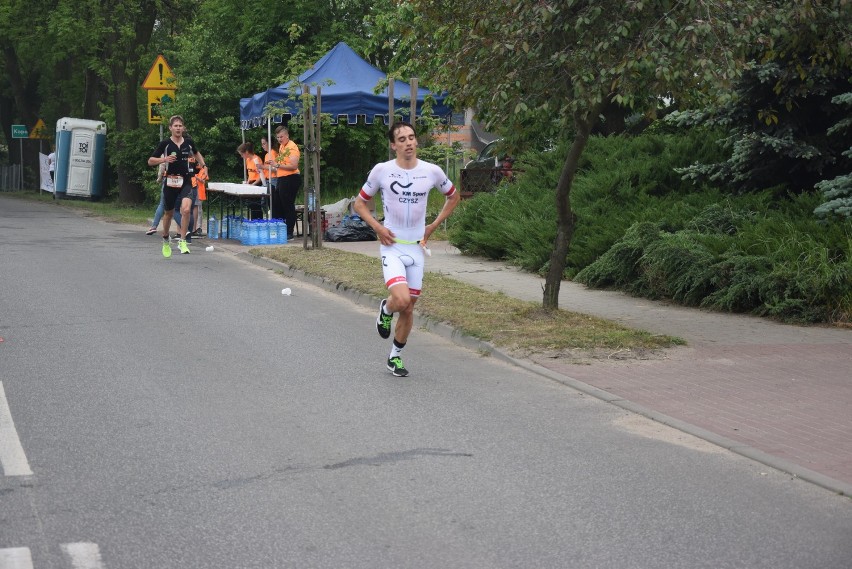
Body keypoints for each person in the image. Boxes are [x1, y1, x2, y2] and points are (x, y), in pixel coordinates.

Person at [353, 121, 460, 377]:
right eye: (402, 139)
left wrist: (432, 226)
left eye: (411, 137)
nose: (408, 142)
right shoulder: (382, 171)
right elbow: (359, 204)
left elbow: (454, 196)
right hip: (392, 246)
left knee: (410, 308)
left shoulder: (431, 171)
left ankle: (395, 357)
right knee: (400, 300)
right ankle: (386, 309)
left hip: (417, 248)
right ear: (393, 145)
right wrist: (378, 228)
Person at [147, 115, 206, 257]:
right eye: (176, 126)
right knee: (169, 213)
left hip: (186, 180)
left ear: (183, 128)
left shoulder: (189, 143)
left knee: (186, 210)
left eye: (180, 126)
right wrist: (164, 159)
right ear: (170, 128)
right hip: (171, 181)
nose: (178, 128)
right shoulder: (165, 144)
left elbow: (197, 154)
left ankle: (183, 240)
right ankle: (166, 239)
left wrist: (204, 166)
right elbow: (150, 161)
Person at [273, 125, 301, 239]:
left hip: (291, 178)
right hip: (282, 178)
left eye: (281, 137)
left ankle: (289, 231)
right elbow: (281, 165)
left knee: (288, 204)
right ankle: (281, 228)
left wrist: (278, 165)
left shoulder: (292, 147)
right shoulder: (281, 147)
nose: (280, 139)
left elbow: (293, 166)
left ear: (287, 135)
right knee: (279, 204)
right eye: (278, 137)